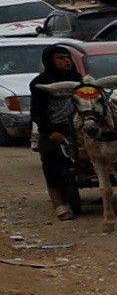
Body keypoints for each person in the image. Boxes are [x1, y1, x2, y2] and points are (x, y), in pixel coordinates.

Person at [30, 43, 87, 220]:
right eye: (60, 58)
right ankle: (59, 204)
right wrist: (50, 132)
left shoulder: (77, 79)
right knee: (50, 161)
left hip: (78, 128)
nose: (66, 61)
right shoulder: (40, 82)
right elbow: (37, 112)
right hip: (53, 130)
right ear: (50, 61)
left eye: (67, 57)